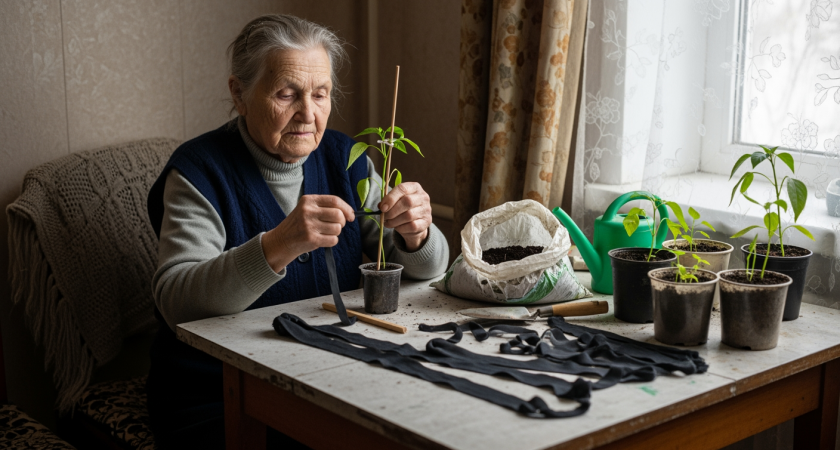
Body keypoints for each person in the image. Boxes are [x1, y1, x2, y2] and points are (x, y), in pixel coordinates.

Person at [145, 14, 449, 449]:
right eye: (287, 94)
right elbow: (177, 301)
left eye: (321, 94)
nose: (308, 114)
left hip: (333, 379)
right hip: (218, 393)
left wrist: (416, 235)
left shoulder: (349, 157)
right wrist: (278, 245)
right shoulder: (199, 173)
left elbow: (427, 270)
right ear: (239, 94)